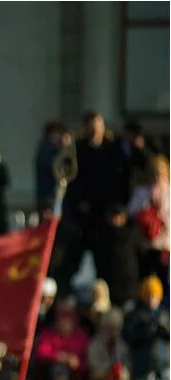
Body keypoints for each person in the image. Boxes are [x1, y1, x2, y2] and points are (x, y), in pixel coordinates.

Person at [56, 111, 126, 293]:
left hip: (103, 215)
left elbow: (120, 181)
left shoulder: (112, 150)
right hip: (81, 215)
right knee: (71, 261)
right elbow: (65, 174)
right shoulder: (78, 150)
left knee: (105, 263)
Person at [122, 276, 169, 380]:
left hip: (164, 364)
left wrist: (164, 330)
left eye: (154, 295)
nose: (151, 299)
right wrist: (147, 331)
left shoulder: (164, 315)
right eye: (148, 295)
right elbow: (128, 336)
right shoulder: (136, 315)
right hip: (144, 366)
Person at [34, 121, 71, 216]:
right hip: (48, 198)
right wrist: (63, 149)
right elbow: (54, 168)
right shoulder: (45, 150)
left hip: (58, 196)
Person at [88, 308, 131, 380]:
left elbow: (128, 366)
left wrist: (122, 373)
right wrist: (109, 371)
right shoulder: (94, 345)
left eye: (116, 328)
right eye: (110, 327)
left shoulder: (123, 346)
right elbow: (93, 367)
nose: (113, 332)